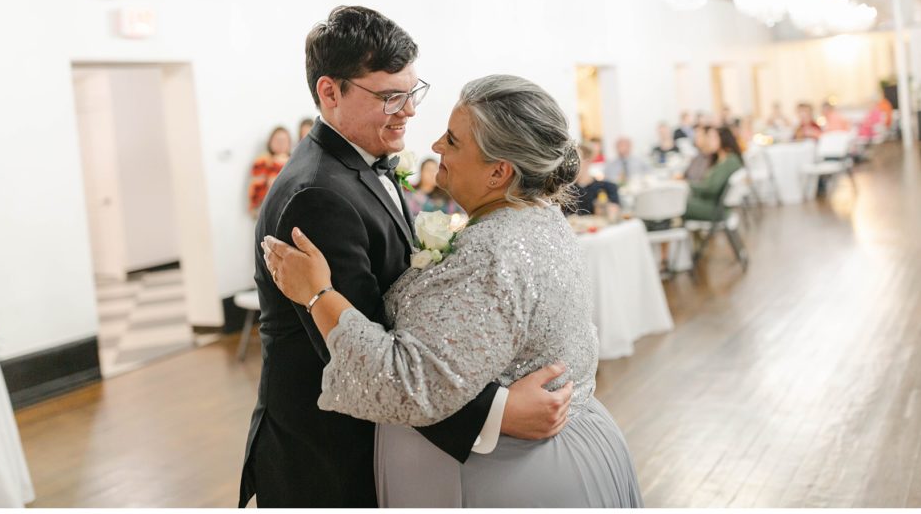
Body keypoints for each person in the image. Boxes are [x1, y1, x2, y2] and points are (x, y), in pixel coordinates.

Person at [239, 7, 572, 508]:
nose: (410, 111)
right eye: (390, 96)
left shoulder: (360, 164)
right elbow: (360, 350)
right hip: (329, 460)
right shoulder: (317, 196)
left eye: (412, 91)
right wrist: (496, 413)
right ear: (330, 92)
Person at [263, 74, 644, 507]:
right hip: (571, 444)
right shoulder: (541, 217)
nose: (436, 146)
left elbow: (406, 381)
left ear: (499, 172)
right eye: (390, 96)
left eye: (453, 140)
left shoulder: (494, 252)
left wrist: (317, 293)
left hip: (518, 476)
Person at [683, 126, 744, 221]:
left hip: (716, 209)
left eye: (712, 138)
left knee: (677, 204)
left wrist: (687, 184)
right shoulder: (721, 160)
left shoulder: (729, 161)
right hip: (712, 204)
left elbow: (711, 189)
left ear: (722, 139)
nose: (708, 141)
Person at [567, 142, 621, 216]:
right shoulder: (567, 192)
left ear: (588, 161)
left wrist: (604, 207)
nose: (572, 167)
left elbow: (613, 215)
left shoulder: (608, 187)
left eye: (575, 162)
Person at [248, 126, 291, 217]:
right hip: (268, 211)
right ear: (270, 142)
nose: (281, 144)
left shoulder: (295, 161)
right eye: (277, 140)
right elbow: (256, 189)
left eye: (284, 140)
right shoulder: (262, 162)